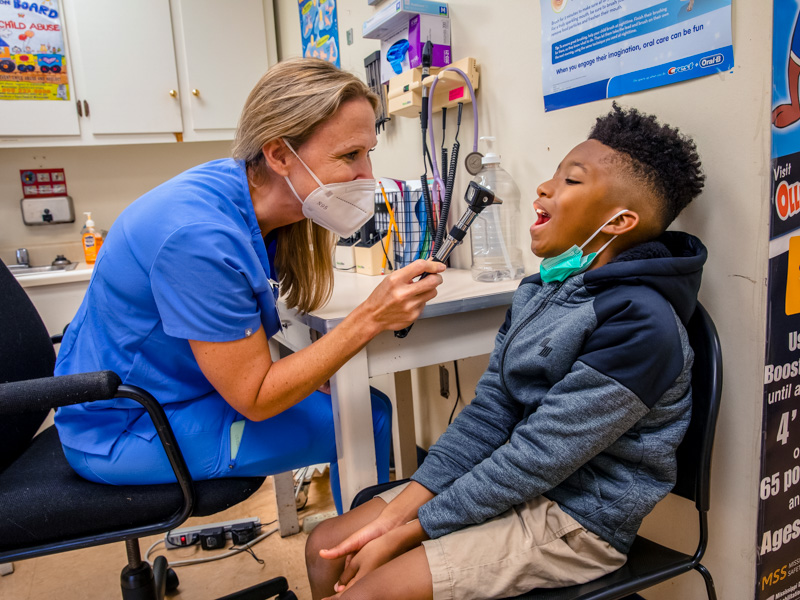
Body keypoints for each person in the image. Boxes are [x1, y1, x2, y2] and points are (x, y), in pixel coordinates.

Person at [305, 103, 708, 600]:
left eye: (572, 181)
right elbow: (490, 414)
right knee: (329, 542)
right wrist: (394, 514)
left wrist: (408, 531)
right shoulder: (545, 289)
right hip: (515, 477)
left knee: (371, 588)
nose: (544, 188)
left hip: (578, 517)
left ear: (620, 221)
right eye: (554, 174)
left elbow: (538, 457)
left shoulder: (642, 325)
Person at [53, 57, 445, 515]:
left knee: (349, 398)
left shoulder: (255, 199)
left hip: (180, 391)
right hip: (124, 424)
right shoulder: (197, 236)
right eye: (348, 156)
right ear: (279, 154)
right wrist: (371, 317)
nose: (367, 176)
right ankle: (361, 567)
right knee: (365, 417)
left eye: (368, 152)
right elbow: (256, 397)